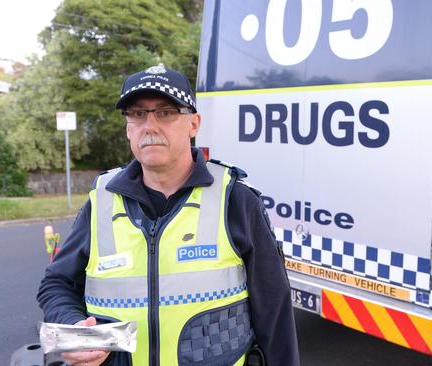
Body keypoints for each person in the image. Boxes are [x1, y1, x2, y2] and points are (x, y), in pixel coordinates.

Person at [37, 65, 300, 366]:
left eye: (165, 112)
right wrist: (75, 328)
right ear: (127, 129)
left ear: (193, 124)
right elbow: (56, 284)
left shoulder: (236, 201)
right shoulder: (102, 200)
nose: (149, 126)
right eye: (137, 114)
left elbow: (274, 313)